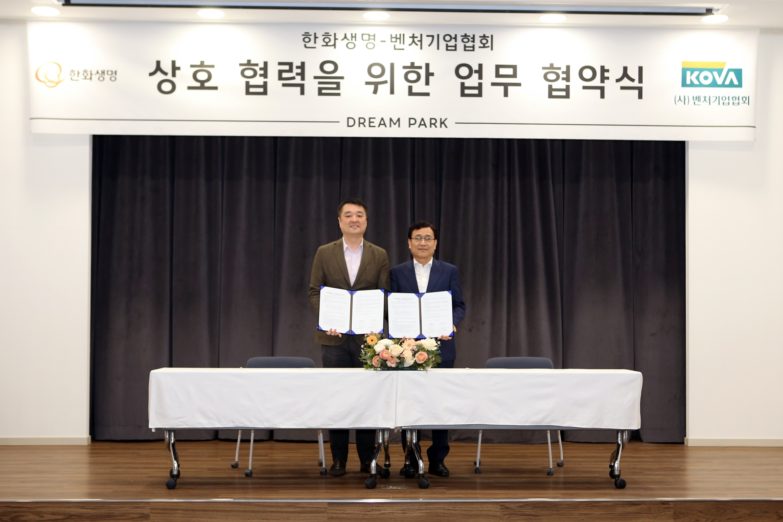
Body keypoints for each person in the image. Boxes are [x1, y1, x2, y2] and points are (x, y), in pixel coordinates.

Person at [308, 198, 390, 477]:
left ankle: (368, 459)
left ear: (366, 221)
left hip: (368, 342)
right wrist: (327, 320)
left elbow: (384, 295)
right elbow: (314, 291)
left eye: (359, 215)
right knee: (338, 400)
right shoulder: (324, 252)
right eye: (348, 215)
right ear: (339, 221)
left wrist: (375, 325)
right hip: (334, 341)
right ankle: (339, 460)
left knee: (367, 402)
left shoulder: (379, 254)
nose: (354, 219)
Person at [390, 221, 466, 478]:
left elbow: (459, 305)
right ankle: (411, 458)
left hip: (442, 347)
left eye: (427, 238)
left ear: (435, 243)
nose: (422, 242)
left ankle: (438, 459)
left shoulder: (449, 271)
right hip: (407, 348)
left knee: (440, 405)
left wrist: (451, 324)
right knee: (409, 405)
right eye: (418, 238)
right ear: (409, 243)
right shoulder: (397, 272)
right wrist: (399, 328)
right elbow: (392, 306)